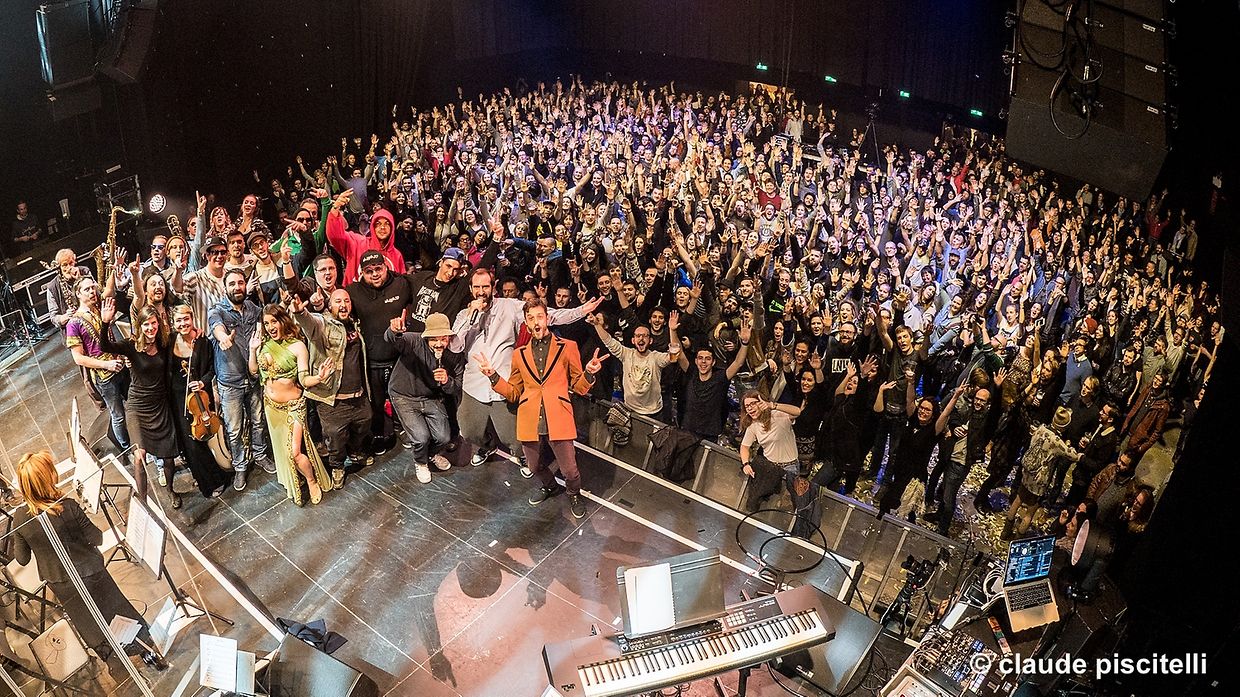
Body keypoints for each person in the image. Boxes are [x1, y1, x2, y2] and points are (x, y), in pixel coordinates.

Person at [10, 451, 167, 676]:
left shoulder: (20, 518)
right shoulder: (68, 506)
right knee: (118, 610)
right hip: (91, 573)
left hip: (60, 582)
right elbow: (97, 537)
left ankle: (113, 661)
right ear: (47, 478)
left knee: (88, 622)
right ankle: (144, 650)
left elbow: (22, 558)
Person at [449, 266, 599, 471]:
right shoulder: (463, 316)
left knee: (514, 437)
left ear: (494, 288)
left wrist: (581, 311)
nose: (481, 291)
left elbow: (549, 316)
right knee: (468, 431)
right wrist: (470, 315)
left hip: (504, 383)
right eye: (477, 287)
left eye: (486, 286)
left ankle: (522, 456)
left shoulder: (509, 306)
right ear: (470, 288)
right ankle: (487, 447)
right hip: (474, 383)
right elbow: (455, 345)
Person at [473, 299, 608, 519]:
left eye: (540, 317)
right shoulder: (519, 354)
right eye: (531, 318)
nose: (536, 322)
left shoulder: (568, 347)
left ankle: (573, 493)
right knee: (534, 466)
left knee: (570, 471)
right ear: (526, 323)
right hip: (531, 419)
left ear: (547, 319)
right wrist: (493, 376)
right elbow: (514, 392)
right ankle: (551, 486)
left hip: (558, 416)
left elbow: (579, 387)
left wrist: (590, 373)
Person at [98, 300, 183, 505]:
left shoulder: (165, 342)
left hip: (160, 405)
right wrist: (105, 323)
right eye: (146, 324)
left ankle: (171, 491)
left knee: (168, 455)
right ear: (140, 326)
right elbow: (104, 346)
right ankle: (143, 502)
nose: (150, 328)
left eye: (153, 323)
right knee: (140, 455)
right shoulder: (131, 345)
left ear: (158, 323)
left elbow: (184, 336)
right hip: (138, 407)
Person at [249, 303, 335, 505]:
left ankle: (312, 480)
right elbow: (253, 371)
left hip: (293, 407)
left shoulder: (298, 346)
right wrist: (252, 351)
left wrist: (320, 378)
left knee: (294, 452)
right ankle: (295, 480)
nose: (270, 327)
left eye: (274, 321)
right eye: (267, 323)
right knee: (282, 450)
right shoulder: (263, 343)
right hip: (271, 407)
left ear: (283, 321)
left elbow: (304, 380)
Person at [291, 289, 371, 487]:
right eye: (337, 301)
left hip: (358, 395)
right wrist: (301, 313)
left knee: (365, 423)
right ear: (329, 305)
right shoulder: (324, 324)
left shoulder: (354, 324)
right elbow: (311, 322)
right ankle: (337, 467)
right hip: (332, 399)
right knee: (335, 438)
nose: (343, 304)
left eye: (346, 300)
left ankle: (355, 452)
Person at [209, 268, 274, 489]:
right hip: (230, 383)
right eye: (232, 284)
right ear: (225, 287)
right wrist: (223, 338)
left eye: (240, 283)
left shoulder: (253, 309)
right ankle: (240, 466)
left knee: (258, 422)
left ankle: (260, 454)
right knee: (234, 429)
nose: (237, 287)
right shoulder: (217, 310)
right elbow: (216, 326)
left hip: (254, 378)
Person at [386, 311, 464, 483]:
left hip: (430, 397)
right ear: (426, 337)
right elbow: (394, 340)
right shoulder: (414, 341)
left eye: (443, 338)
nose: (439, 343)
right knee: (421, 437)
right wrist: (394, 331)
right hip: (404, 396)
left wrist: (447, 381)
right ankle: (421, 462)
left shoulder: (453, 356)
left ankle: (431, 455)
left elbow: (457, 386)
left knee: (444, 437)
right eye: (434, 339)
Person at [346, 249, 412, 453]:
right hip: (372, 360)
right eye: (369, 271)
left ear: (386, 267)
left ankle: (404, 429)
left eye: (378, 269)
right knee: (375, 402)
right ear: (361, 273)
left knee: (401, 398)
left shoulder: (401, 283)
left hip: (399, 358)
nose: (375, 274)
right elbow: (339, 310)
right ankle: (378, 433)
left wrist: (407, 318)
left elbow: (416, 300)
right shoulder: (353, 291)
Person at [168, 304, 231, 498]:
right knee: (191, 445)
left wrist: (202, 383)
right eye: (178, 320)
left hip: (200, 399)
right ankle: (207, 481)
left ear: (192, 319)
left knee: (205, 439)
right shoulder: (170, 340)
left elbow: (211, 369)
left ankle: (218, 476)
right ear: (173, 323)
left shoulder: (202, 342)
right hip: (178, 400)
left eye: (186, 319)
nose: (183, 323)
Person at [64, 277, 130, 450]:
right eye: (87, 289)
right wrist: (106, 365)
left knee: (135, 404)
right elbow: (78, 358)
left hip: (120, 366)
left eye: (93, 288)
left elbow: (110, 290)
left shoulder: (99, 308)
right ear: (78, 294)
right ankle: (127, 447)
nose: (92, 291)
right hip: (104, 376)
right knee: (118, 415)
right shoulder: (73, 323)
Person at [1003, 406, 1081, 539]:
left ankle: (1006, 532)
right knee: (1030, 511)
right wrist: (1071, 447)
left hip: (1027, 471)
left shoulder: (1041, 429)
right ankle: (1018, 538)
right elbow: (1073, 456)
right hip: (1039, 479)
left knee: (1017, 500)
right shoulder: (1056, 441)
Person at [589, 313, 677, 422]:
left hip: (653, 413)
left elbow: (673, 357)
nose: (641, 339)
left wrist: (672, 331)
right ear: (633, 340)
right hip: (630, 411)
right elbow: (609, 341)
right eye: (638, 336)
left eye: (645, 336)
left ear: (650, 341)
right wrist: (597, 325)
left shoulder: (656, 358)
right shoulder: (626, 354)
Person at [738, 390, 804, 510]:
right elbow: (744, 446)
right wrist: (745, 464)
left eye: (753, 403)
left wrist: (772, 405)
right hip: (770, 468)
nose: (750, 408)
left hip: (789, 468)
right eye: (747, 406)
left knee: (786, 505)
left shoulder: (778, 415)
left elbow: (797, 411)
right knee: (767, 503)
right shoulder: (753, 426)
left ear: (761, 402)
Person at [44, 248, 94, 331]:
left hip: (93, 321)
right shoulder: (52, 287)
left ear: (75, 261)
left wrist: (80, 280)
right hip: (73, 331)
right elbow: (54, 317)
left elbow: (97, 293)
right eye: (64, 265)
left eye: (71, 263)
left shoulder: (84, 272)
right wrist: (65, 317)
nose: (69, 268)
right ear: (59, 267)